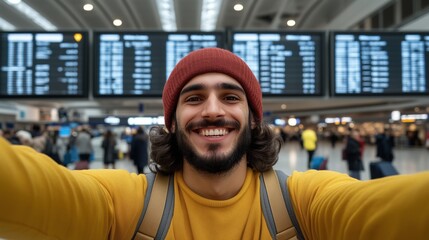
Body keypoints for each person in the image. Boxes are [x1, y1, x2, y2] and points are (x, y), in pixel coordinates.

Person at [0, 48, 428, 239]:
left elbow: (385, 210)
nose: (211, 110)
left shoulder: (305, 202)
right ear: (170, 123)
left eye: (229, 96)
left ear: (253, 118)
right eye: (193, 98)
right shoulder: (123, 204)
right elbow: (31, 189)